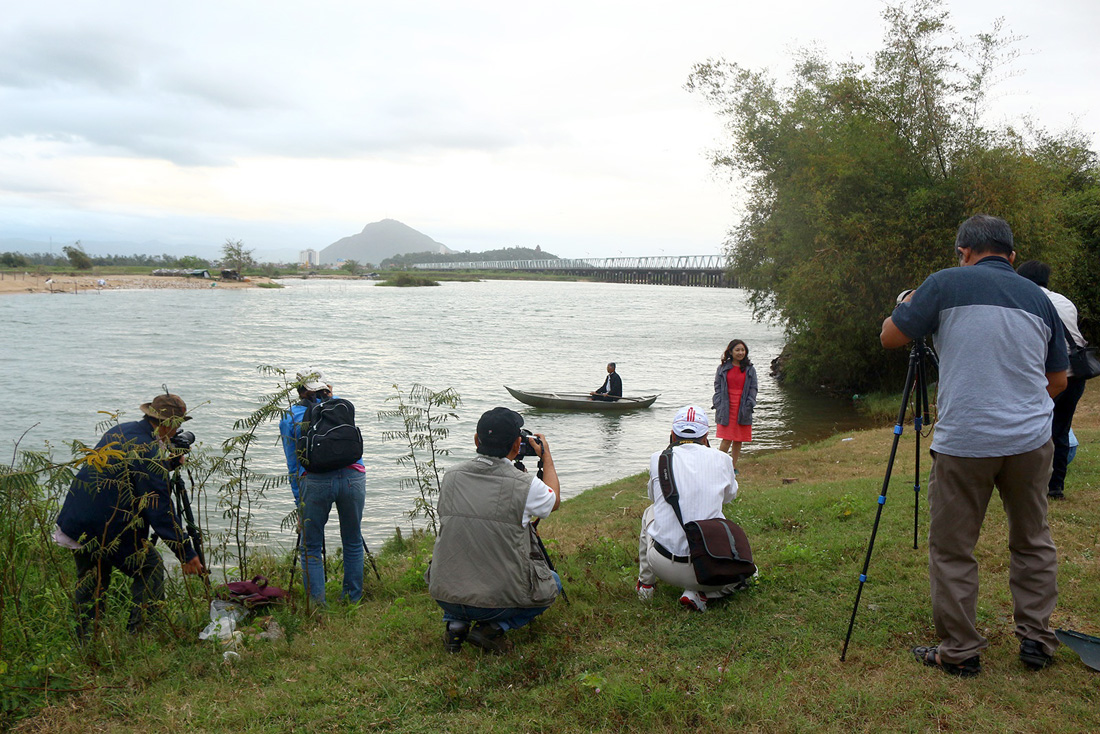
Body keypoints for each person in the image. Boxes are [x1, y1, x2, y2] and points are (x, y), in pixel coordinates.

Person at [880, 214, 1068, 677]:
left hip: (965, 440)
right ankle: (1038, 642)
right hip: (1030, 441)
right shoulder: (1040, 299)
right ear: (1011, 256)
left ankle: (960, 651)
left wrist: (907, 302)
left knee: (952, 548)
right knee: (1032, 540)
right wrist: (1021, 409)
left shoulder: (944, 284)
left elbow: (891, 336)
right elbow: (1059, 380)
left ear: (963, 251)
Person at [54, 393, 205, 635]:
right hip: (108, 525)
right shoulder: (150, 451)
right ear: (167, 424)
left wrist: (167, 465)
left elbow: (132, 470)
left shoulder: (121, 430)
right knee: (150, 567)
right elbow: (159, 507)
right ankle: (141, 636)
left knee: (93, 581)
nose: (177, 431)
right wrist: (185, 552)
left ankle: (86, 643)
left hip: (78, 520)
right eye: (177, 425)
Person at [427, 407, 561, 654]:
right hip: (495, 602)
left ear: (476, 440)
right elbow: (554, 501)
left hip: (444, 593)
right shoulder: (524, 485)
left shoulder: (451, 477)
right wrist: (547, 457)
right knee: (554, 582)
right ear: (517, 444)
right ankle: (494, 626)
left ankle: (455, 625)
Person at [635, 405, 744, 612]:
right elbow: (730, 497)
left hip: (664, 565)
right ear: (706, 437)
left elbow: (654, 497)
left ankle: (646, 585)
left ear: (672, 434)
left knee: (650, 512)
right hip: (711, 565)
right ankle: (701, 593)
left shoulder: (658, 458)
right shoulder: (723, 460)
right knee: (746, 574)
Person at [279, 367, 367, 605]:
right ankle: (352, 600)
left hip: (316, 481)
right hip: (354, 477)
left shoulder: (290, 417)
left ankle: (318, 606)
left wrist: (300, 505)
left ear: (299, 391)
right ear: (328, 388)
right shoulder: (342, 405)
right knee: (352, 540)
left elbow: (293, 464)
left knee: (311, 547)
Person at [1016, 260, 1089, 500]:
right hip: (1076, 375)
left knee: (1035, 429)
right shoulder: (1064, 301)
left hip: (1049, 375)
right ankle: (1055, 486)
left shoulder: (1027, 301)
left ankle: (1031, 484)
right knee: (1061, 429)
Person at [712, 339, 758, 469]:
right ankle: (718, 466)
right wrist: (718, 402)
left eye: (742, 350)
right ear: (730, 352)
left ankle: (732, 467)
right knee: (726, 438)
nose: (740, 352)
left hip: (743, 407)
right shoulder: (722, 368)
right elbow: (717, 387)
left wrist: (750, 403)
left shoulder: (750, 369)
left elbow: (753, 388)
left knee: (739, 439)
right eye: (737, 350)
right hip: (726, 406)